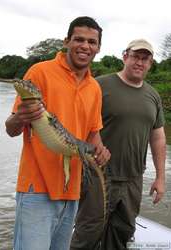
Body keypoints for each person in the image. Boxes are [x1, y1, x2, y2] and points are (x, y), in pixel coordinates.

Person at [5, 16, 111, 250]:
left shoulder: (94, 87)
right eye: (79, 39)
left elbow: (93, 135)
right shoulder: (40, 72)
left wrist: (101, 152)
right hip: (36, 190)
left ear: (98, 48)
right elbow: (11, 129)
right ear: (66, 41)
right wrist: (20, 116)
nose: (85, 46)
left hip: (71, 192)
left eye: (92, 42)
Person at [70, 39, 166, 250]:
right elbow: (78, 123)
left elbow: (158, 137)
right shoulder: (99, 85)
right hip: (98, 175)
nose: (139, 62)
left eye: (145, 58)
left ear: (150, 63)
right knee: (88, 233)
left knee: (122, 233)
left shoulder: (153, 95)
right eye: (135, 56)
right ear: (125, 57)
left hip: (133, 179)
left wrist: (160, 177)